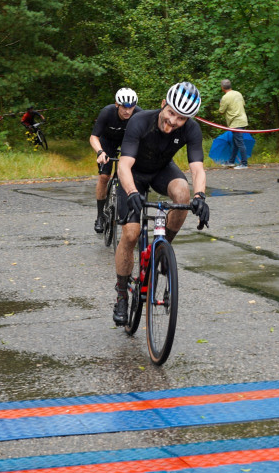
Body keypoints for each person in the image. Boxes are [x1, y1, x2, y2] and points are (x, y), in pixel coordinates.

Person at [112, 82, 210, 325]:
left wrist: (200, 196)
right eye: (171, 113)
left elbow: (197, 169)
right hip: (133, 175)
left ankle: (162, 249)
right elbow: (124, 165)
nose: (173, 121)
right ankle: (122, 294)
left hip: (161, 170)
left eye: (181, 118)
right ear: (163, 104)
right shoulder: (140, 121)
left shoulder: (192, 129)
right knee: (131, 234)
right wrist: (132, 192)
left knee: (183, 194)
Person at [89, 88, 141, 233]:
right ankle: (100, 216)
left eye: (131, 107)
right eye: (124, 107)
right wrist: (100, 152)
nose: (128, 111)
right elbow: (93, 137)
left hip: (128, 143)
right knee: (104, 177)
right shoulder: (107, 112)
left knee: (130, 173)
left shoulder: (139, 114)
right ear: (117, 104)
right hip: (108, 142)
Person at [218, 78, 249, 168]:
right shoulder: (238, 93)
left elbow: (221, 111)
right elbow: (243, 104)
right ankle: (231, 161)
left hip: (236, 122)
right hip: (243, 120)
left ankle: (244, 164)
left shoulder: (225, 97)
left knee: (240, 143)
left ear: (222, 87)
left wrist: (221, 103)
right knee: (235, 143)